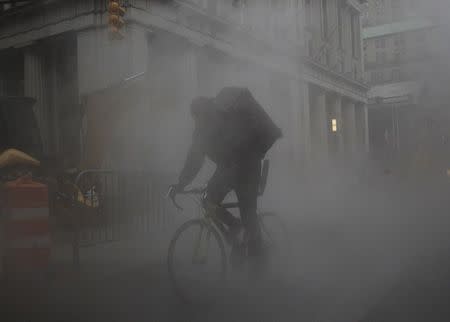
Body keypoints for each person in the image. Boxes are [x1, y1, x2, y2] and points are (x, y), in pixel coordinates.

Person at [169, 87, 282, 271]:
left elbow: (235, 148)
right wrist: (181, 183)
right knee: (208, 199)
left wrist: (226, 172)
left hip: (248, 167)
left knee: (248, 214)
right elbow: (194, 159)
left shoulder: (223, 119)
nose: (196, 121)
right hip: (229, 168)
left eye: (196, 117)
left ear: (202, 112)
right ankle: (235, 228)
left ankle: (258, 261)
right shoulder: (203, 129)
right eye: (195, 118)